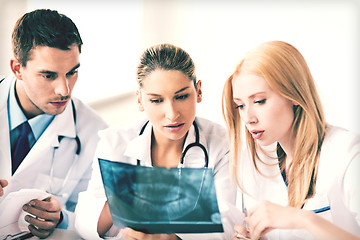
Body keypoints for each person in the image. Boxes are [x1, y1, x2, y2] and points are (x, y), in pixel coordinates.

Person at [75, 43, 237, 239]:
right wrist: (122, 199)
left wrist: (171, 238)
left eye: (182, 96)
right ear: (140, 100)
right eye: (156, 100)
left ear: (199, 91)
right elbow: (84, 221)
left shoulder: (223, 144)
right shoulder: (114, 141)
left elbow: (228, 222)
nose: (172, 114)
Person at [222, 40, 360, 240]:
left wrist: (304, 219)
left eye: (259, 101)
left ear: (293, 95)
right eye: (240, 106)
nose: (248, 118)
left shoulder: (346, 153)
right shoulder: (256, 163)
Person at [0, 9, 107, 238]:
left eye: (71, 72)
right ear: (18, 69)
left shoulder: (95, 134)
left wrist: (61, 218)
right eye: (49, 75)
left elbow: (95, 217)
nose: (64, 90)